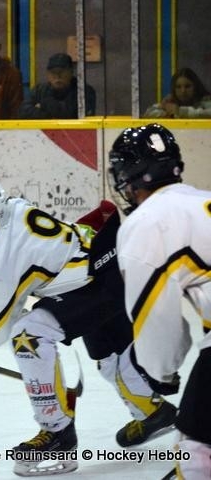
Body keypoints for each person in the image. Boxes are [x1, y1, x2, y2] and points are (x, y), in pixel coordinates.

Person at [0, 173, 177, 476]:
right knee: (111, 359)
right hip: (106, 265)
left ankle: (57, 433)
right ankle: (154, 412)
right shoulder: (13, 208)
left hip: (96, 281)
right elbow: (12, 297)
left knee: (29, 335)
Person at [108, 123, 211, 479]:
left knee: (197, 453)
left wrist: (160, 374)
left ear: (129, 176)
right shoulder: (204, 199)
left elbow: (157, 319)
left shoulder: (147, 223)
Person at [19, 53, 97, 118]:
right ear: (48, 74)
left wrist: (44, 105)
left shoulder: (84, 91)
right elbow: (23, 112)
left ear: (71, 72)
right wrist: (49, 115)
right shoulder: (39, 90)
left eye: (62, 72)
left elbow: (70, 114)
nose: (57, 76)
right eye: (53, 72)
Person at [144, 67, 211, 118]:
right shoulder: (171, 100)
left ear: (196, 86)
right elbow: (148, 113)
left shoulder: (205, 100)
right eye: (178, 87)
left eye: (187, 86)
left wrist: (180, 111)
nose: (183, 91)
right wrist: (165, 108)